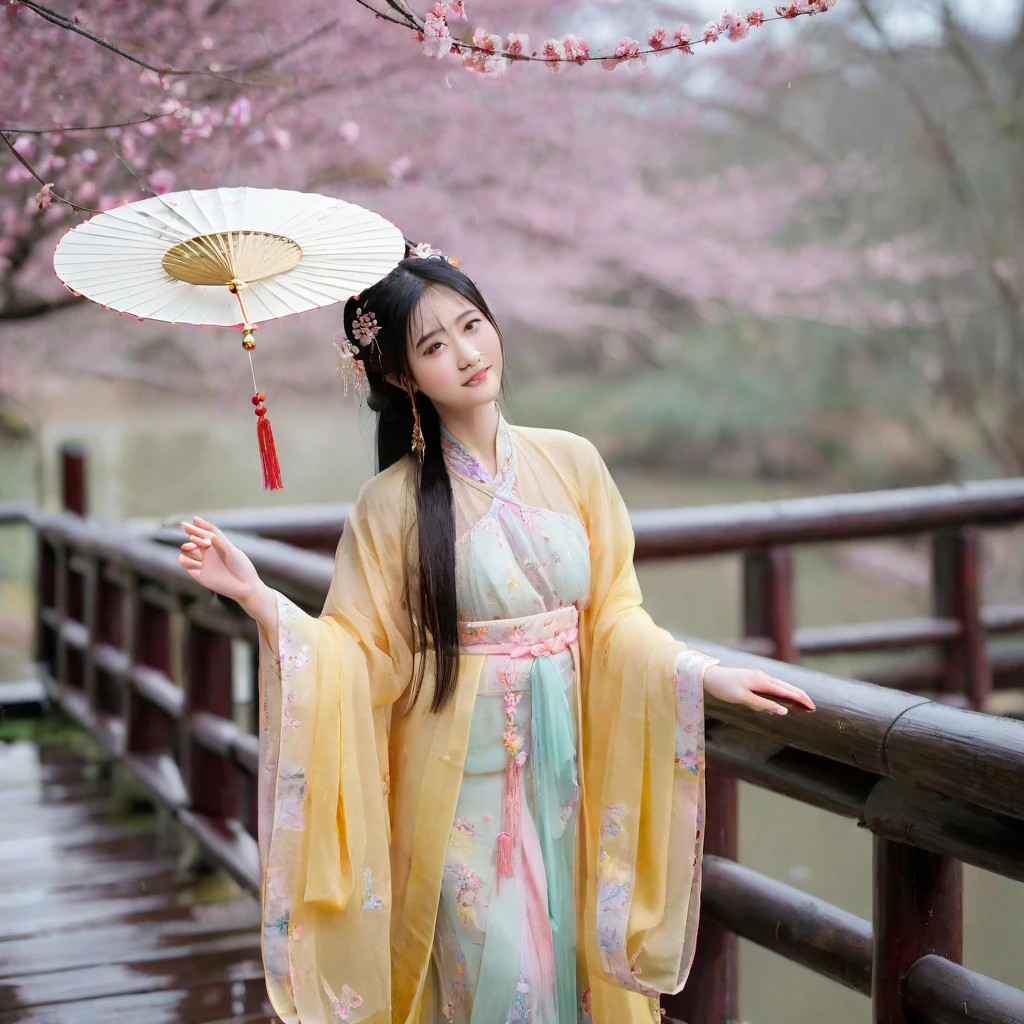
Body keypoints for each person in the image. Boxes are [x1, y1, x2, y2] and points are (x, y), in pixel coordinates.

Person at [178, 241, 815, 1024]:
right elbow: (360, 654)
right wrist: (261, 600)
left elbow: (613, 611)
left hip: (570, 772)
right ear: (404, 378)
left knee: (575, 980)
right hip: (458, 791)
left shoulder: (574, 463)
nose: (469, 354)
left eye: (473, 325)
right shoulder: (390, 506)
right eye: (435, 346)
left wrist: (699, 673)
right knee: (497, 985)